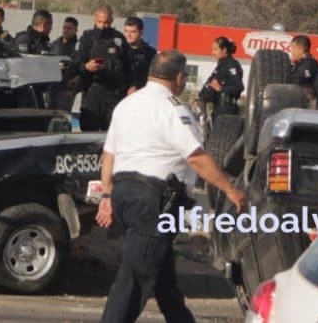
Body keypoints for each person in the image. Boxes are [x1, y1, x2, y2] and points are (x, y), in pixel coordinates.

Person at [96, 50, 245, 323]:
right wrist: (230, 189)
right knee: (134, 282)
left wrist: (106, 194)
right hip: (153, 202)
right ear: (179, 77)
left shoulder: (127, 104)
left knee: (164, 284)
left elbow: (109, 155)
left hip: (125, 195)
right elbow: (196, 157)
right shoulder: (172, 108)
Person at [74, 5, 131, 131]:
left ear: (111, 21)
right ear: (95, 20)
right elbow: (76, 64)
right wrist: (87, 67)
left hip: (114, 94)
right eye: (100, 22)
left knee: (112, 135)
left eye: (106, 22)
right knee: (89, 135)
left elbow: (128, 66)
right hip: (92, 92)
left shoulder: (119, 39)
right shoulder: (86, 39)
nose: (102, 26)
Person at [198, 36, 244, 120]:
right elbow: (210, 83)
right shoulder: (220, 66)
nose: (213, 52)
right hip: (217, 108)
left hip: (227, 111)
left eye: (215, 49)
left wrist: (221, 89)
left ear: (224, 50)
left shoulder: (232, 65)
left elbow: (239, 87)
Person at [48, 16, 80, 112]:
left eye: (69, 28)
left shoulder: (78, 47)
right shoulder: (55, 44)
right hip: (52, 87)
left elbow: (79, 68)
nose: (65, 30)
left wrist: (73, 89)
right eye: (64, 27)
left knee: (62, 116)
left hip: (66, 89)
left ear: (75, 30)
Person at [123, 17, 156, 95]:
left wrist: (137, 86)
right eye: (126, 31)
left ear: (141, 33)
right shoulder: (119, 50)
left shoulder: (150, 53)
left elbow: (154, 77)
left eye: (133, 32)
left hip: (142, 95)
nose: (128, 35)